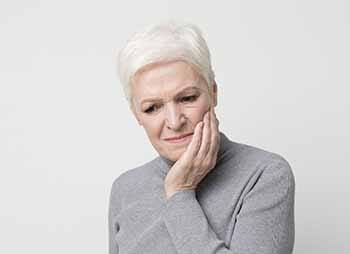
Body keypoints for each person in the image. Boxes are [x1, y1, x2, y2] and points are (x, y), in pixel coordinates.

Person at [109, 21, 295, 254]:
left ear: (213, 92)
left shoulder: (264, 174)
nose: (175, 122)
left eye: (187, 98)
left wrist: (179, 193)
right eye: (152, 108)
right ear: (136, 114)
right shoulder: (125, 189)